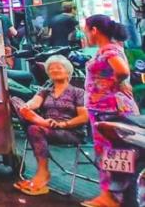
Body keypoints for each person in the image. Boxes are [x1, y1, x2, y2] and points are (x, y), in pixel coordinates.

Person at [82, 15, 139, 207]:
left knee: (109, 152)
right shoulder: (109, 49)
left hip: (108, 109)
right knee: (113, 152)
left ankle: (111, 197)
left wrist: (107, 87)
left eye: (86, 30)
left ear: (94, 30)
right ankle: (113, 196)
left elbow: (122, 71)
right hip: (107, 108)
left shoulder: (108, 49)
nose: (86, 34)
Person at [13, 55, 88, 196]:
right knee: (16, 101)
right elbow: (34, 102)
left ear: (67, 72)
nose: (54, 70)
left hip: (69, 131)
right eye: (51, 69)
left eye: (58, 67)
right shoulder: (46, 90)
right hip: (46, 127)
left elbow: (84, 117)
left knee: (34, 128)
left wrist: (63, 124)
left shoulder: (78, 92)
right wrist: (26, 107)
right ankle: (40, 121)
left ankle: (43, 173)